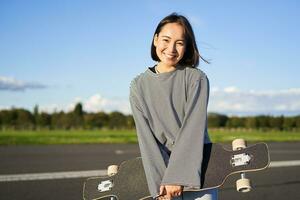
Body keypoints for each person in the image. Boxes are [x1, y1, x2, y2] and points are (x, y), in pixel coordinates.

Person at [129, 13, 218, 200]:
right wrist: (159, 186)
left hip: (198, 173)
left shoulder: (196, 78)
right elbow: (147, 139)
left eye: (179, 42)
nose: (171, 48)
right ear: (155, 40)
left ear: (187, 47)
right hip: (163, 182)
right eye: (166, 40)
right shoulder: (138, 85)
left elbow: (193, 129)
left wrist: (177, 176)